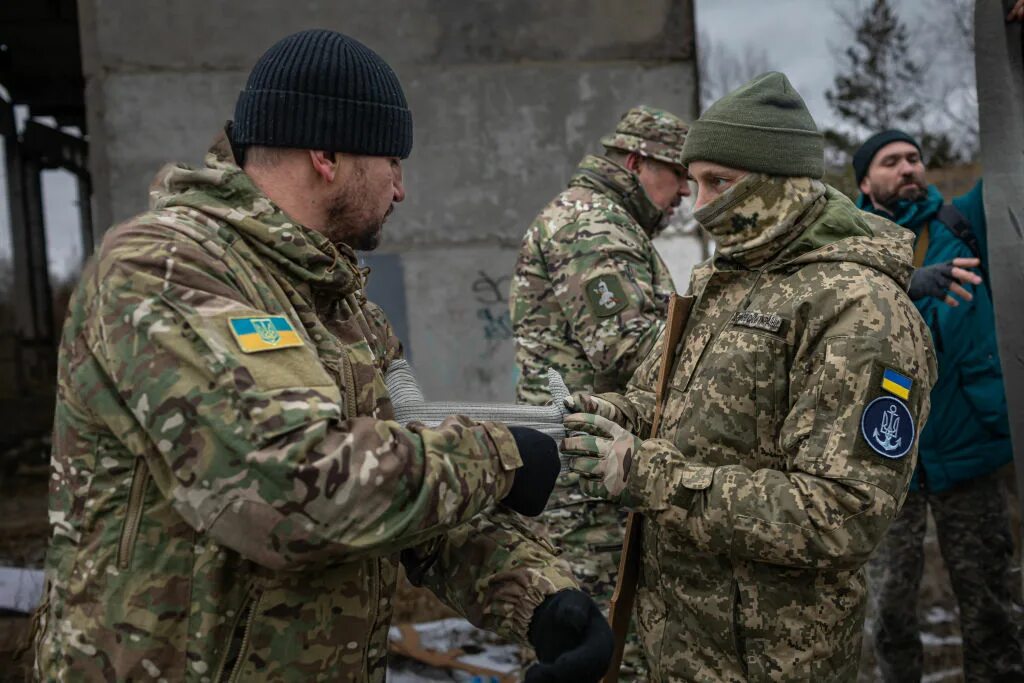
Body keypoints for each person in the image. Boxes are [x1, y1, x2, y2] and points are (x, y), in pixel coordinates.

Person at [31, 29, 612, 682]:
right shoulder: (162, 270)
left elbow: (403, 487)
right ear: (328, 153)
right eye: (393, 162)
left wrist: (540, 598)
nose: (401, 190)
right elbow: (282, 490)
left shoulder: (342, 303)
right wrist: (501, 455)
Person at [560, 72, 937, 681]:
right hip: (679, 643)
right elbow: (658, 401)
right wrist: (609, 417)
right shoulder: (722, 281)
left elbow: (841, 514)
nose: (702, 205)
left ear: (781, 182)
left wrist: (652, 477)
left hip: (769, 658)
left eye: (720, 183)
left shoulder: (859, 309)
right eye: (694, 183)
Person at [509, 105, 690, 679]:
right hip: (584, 491)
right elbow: (630, 347)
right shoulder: (592, 224)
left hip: (592, 472)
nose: (686, 191)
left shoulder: (607, 221)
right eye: (678, 174)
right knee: (602, 652)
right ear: (636, 162)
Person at [854, 129, 1023, 682]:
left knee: (991, 609)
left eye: (913, 158)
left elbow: (1008, 165)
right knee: (889, 616)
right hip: (884, 459)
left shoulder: (961, 223)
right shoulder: (849, 245)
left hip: (970, 447)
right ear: (864, 181)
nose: (907, 167)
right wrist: (906, 281)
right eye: (890, 161)